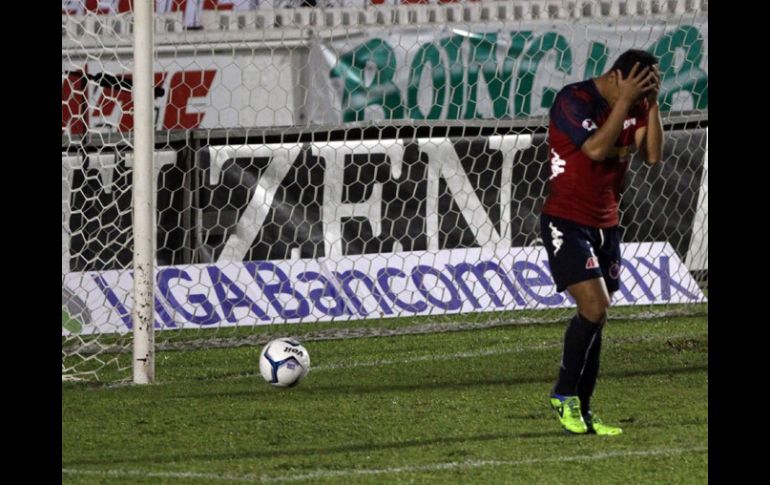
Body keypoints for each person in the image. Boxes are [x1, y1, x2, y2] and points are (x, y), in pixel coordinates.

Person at [541, 49, 664, 435]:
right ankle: (563, 394)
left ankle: (584, 408)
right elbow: (594, 149)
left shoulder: (638, 103)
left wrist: (652, 104)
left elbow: (653, 155)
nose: (642, 93)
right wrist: (626, 101)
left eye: (650, 87)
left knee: (597, 317)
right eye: (639, 86)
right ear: (616, 77)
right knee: (595, 306)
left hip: (606, 225)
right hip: (566, 220)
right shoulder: (573, 99)